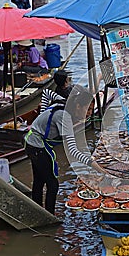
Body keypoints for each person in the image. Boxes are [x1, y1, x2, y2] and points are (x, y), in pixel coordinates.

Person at [24, 85, 105, 214]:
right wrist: (96, 167)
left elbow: (47, 93)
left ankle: (37, 210)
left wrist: (44, 115)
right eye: (88, 109)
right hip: (37, 145)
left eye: (91, 110)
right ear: (78, 106)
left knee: (39, 180)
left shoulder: (66, 103)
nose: (90, 113)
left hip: (31, 141)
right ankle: (49, 215)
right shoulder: (65, 118)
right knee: (52, 184)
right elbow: (72, 150)